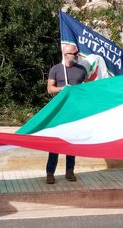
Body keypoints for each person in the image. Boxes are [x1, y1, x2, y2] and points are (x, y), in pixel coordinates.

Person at [46, 44, 87, 184]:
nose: (76, 56)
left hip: (75, 111)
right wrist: (63, 89)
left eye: (77, 54)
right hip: (59, 112)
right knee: (55, 143)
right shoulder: (56, 69)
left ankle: (70, 171)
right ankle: (50, 173)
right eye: (74, 54)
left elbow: (86, 89)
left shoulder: (81, 70)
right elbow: (50, 89)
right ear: (66, 54)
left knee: (71, 142)